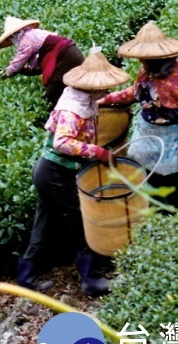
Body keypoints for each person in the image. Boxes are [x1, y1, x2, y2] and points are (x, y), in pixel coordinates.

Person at [16, 50, 130, 297]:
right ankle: (90, 277)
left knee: (43, 223)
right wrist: (97, 152)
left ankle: (25, 278)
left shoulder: (82, 99)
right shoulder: (73, 108)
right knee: (87, 216)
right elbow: (63, 143)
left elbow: (101, 105)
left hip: (49, 171)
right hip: (54, 172)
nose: (104, 91)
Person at [98, 22, 178, 207]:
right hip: (147, 131)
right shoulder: (146, 71)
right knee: (144, 179)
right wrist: (107, 100)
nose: (142, 61)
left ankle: (168, 212)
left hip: (172, 136)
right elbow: (135, 92)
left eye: (146, 58)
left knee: (169, 184)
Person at [0, 17, 85, 108]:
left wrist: (1, 76)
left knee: (51, 98)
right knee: (64, 94)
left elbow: (16, 65)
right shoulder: (34, 35)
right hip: (71, 55)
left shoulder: (26, 39)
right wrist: (23, 70)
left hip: (66, 58)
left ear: (13, 35)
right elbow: (39, 68)